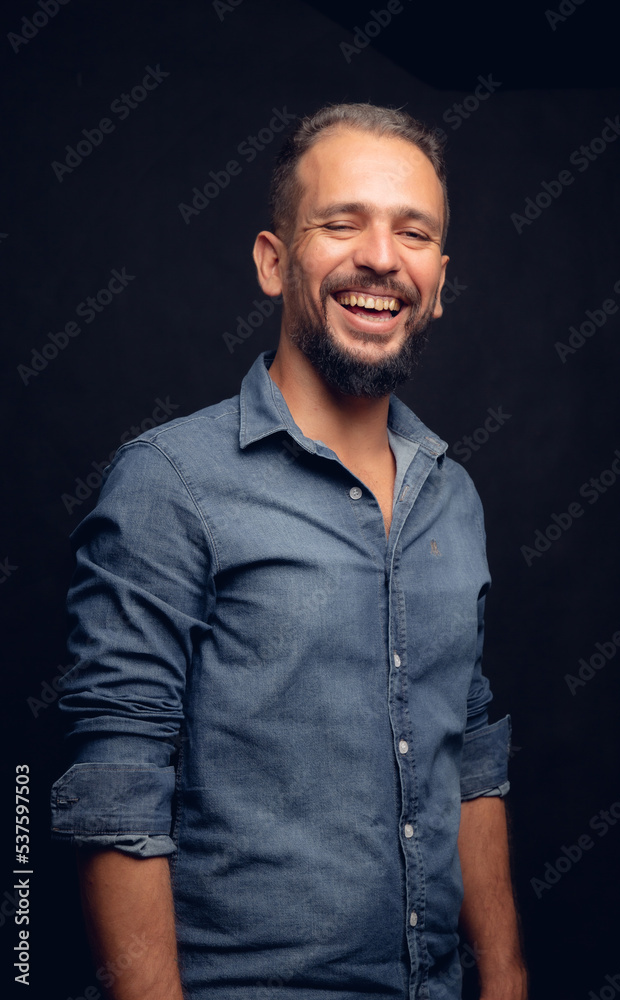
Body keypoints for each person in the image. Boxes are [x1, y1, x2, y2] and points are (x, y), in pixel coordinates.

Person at [51, 103, 528, 1000]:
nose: (380, 257)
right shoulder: (168, 484)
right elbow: (115, 789)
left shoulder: (451, 497)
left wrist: (504, 980)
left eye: (411, 233)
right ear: (273, 261)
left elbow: (468, 757)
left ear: (437, 277)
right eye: (340, 223)